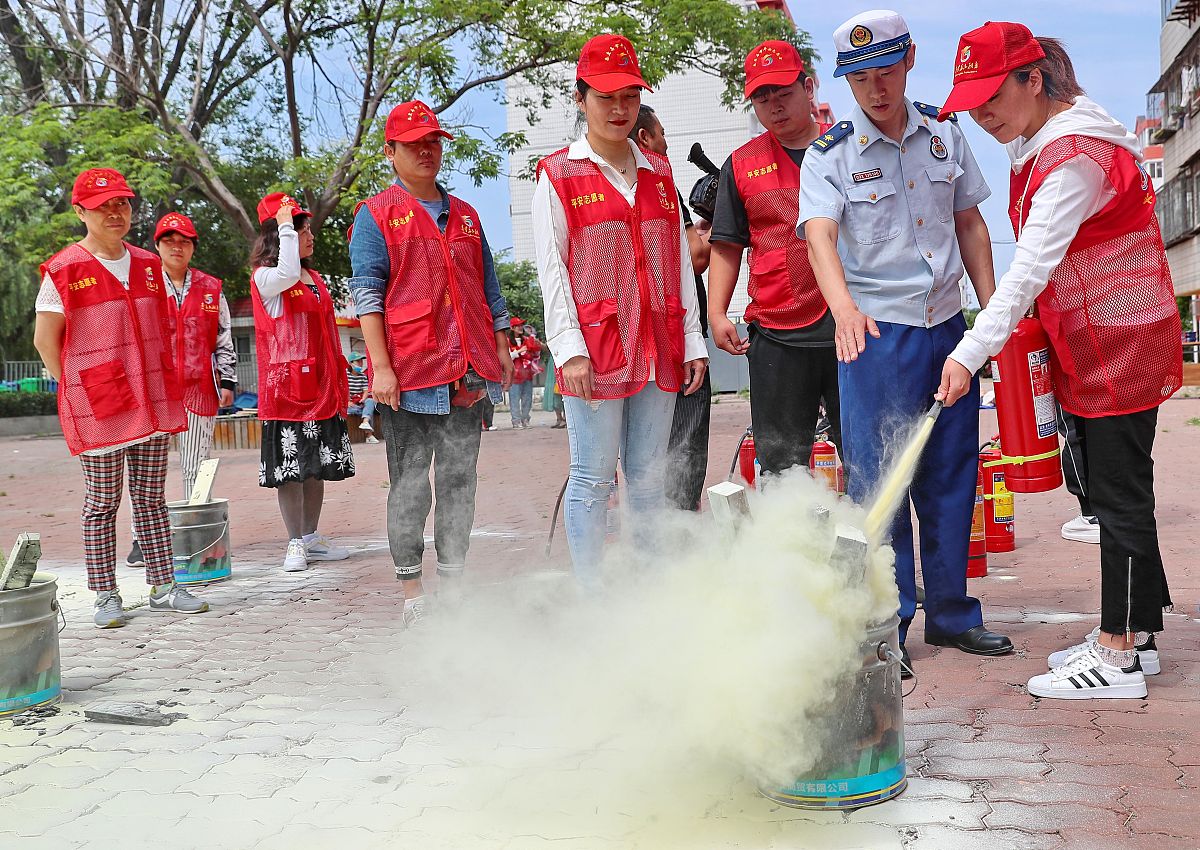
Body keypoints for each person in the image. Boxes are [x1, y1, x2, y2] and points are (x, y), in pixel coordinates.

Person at [935, 21, 1181, 699]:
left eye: (992, 96)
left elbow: (1030, 267)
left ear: (1033, 78)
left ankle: (1119, 656)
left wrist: (968, 352)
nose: (982, 115)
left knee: (1117, 493)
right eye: (971, 102)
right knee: (1115, 489)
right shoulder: (1042, 138)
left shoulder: (1072, 153)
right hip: (1101, 333)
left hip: (1118, 338)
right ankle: (1140, 634)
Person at [800, 11, 1012, 675]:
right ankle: (887, 625)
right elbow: (819, 236)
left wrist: (991, 317)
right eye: (859, 78)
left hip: (946, 327)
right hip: (875, 336)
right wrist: (842, 310)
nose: (875, 89)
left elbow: (972, 224)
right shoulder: (829, 153)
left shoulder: (944, 130)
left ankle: (951, 615)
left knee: (953, 475)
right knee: (880, 481)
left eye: (886, 71)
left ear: (910, 60)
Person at [532, 34, 708, 590]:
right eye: (605, 96)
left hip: (659, 343)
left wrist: (693, 339)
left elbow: (679, 259)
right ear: (581, 98)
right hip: (596, 347)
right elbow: (552, 270)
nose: (619, 108)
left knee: (649, 476)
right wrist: (569, 350)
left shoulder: (658, 171)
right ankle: (591, 596)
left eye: (630, 95)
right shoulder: (558, 174)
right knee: (590, 477)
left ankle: (650, 594)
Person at [348, 100, 514, 625]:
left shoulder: (466, 215)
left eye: (434, 141)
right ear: (390, 152)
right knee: (411, 484)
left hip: (466, 370)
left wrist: (503, 343)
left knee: (460, 482)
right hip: (411, 373)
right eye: (414, 143)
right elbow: (368, 295)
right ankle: (413, 594)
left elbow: (488, 285)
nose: (427, 150)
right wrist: (381, 367)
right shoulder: (376, 216)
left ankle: (457, 586)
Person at [33, 168, 209, 627]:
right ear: (80, 212)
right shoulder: (64, 269)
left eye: (123, 203)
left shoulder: (150, 265)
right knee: (102, 502)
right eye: (103, 205)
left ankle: (164, 585)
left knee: (151, 496)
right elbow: (45, 341)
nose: (115, 212)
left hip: (151, 397)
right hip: (99, 403)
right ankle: (105, 594)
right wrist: (74, 388)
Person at [708, 41, 842, 483]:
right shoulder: (741, 165)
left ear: (808, 88)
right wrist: (716, 312)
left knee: (865, 451)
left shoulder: (849, 149)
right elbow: (727, 244)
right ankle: (791, 547)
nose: (773, 106)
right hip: (777, 331)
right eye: (761, 98)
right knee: (782, 463)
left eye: (783, 93)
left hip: (852, 328)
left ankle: (872, 547)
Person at [125, 212, 238, 569]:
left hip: (198, 388)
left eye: (185, 241)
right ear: (157, 245)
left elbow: (223, 337)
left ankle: (193, 532)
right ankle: (142, 539)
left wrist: (228, 381)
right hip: (152, 391)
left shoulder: (210, 287)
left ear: (192, 247)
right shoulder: (140, 283)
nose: (177, 246)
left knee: (195, 466)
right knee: (146, 471)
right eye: (170, 240)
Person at [250, 192, 354, 573]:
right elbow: (286, 273)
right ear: (278, 235)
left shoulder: (313, 278)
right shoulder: (267, 277)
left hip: (320, 386)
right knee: (290, 469)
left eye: (306, 227)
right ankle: (294, 541)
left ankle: (312, 537)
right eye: (298, 227)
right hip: (287, 391)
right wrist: (283, 225)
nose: (307, 234)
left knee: (317, 466)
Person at [630, 105, 713, 511]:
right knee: (685, 436)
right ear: (644, 138)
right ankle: (680, 526)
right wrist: (720, 228)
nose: (666, 141)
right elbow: (694, 258)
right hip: (676, 332)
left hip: (630, 337)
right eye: (661, 133)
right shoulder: (659, 184)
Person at [507, 318, 535, 428]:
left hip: (527, 374)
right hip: (515, 376)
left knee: (527, 398)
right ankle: (516, 421)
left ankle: (525, 420)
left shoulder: (526, 340)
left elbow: (534, 353)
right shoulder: (507, 341)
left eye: (521, 325)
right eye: (517, 326)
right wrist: (519, 351)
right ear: (512, 328)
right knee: (514, 399)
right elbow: (507, 357)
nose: (520, 327)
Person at [346, 352, 379, 444]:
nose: (360, 363)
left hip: (359, 404)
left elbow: (365, 391)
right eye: (358, 361)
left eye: (361, 361)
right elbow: (343, 389)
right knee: (368, 412)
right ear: (350, 363)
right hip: (348, 406)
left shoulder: (363, 376)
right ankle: (369, 435)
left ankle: (365, 421)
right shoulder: (345, 374)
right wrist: (348, 401)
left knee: (370, 401)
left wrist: (363, 399)